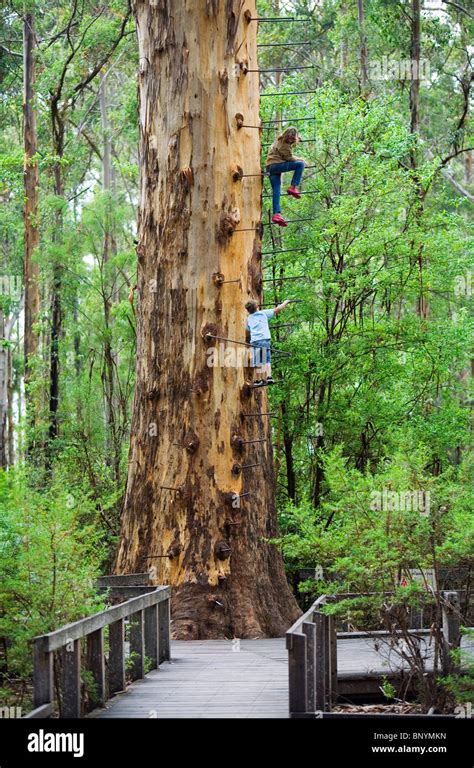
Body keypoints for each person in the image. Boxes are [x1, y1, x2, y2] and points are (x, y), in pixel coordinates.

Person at [265, 127, 306, 227]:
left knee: (276, 191)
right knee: (300, 164)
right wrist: (302, 159)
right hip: (276, 166)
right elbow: (289, 158)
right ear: (288, 137)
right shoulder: (285, 146)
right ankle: (293, 187)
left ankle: (276, 214)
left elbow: (287, 147)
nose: (291, 141)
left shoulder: (280, 139)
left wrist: (297, 139)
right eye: (291, 139)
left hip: (270, 167)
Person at [245, 299, 291, 386]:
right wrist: (286, 302)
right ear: (257, 307)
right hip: (265, 340)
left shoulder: (249, 318)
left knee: (258, 361)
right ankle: (269, 377)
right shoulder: (263, 313)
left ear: (248, 310)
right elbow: (278, 309)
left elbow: (247, 329)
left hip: (255, 342)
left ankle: (258, 380)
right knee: (267, 360)